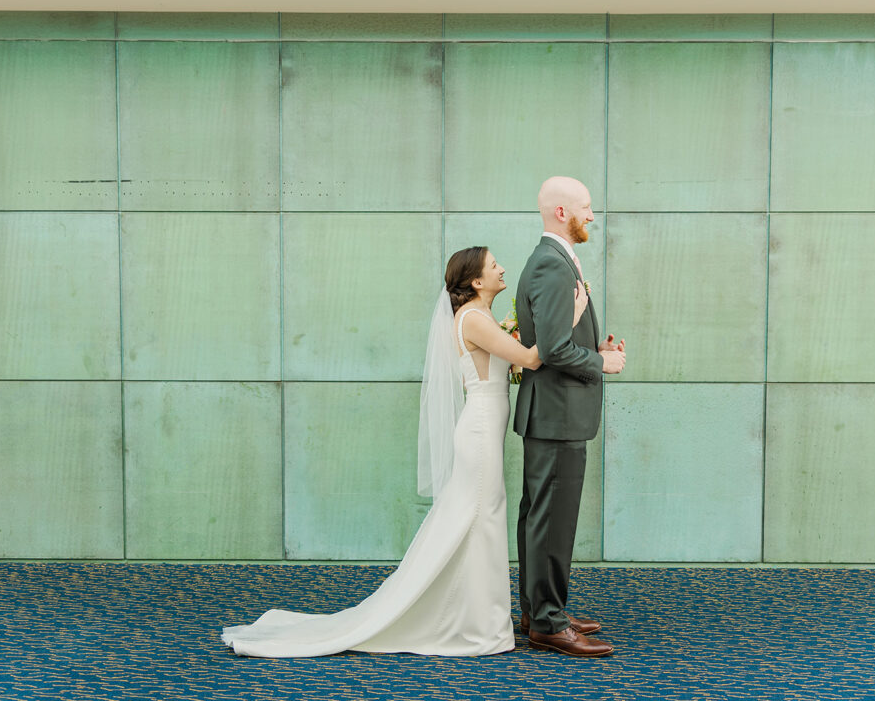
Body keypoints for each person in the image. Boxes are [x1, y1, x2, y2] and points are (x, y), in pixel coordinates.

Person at [221, 246, 588, 658]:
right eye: (494, 265)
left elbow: (508, 365)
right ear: (477, 282)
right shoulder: (473, 319)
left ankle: (481, 616)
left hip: (484, 427)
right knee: (481, 520)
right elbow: (531, 359)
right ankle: (479, 624)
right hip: (480, 431)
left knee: (480, 521)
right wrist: (569, 319)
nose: (503, 268)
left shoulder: (480, 318)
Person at [514, 176, 626, 658]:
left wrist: (592, 347)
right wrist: (601, 362)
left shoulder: (554, 260)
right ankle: (547, 621)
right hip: (557, 416)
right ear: (562, 212)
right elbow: (554, 349)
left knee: (545, 517)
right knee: (550, 520)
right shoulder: (552, 266)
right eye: (586, 208)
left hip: (558, 415)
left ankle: (543, 608)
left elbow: (560, 340)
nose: (592, 216)